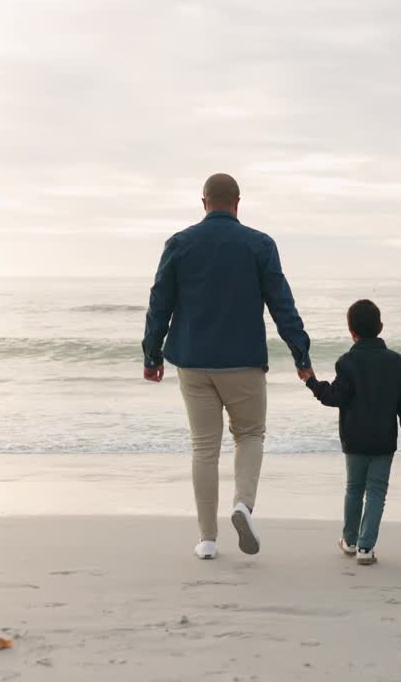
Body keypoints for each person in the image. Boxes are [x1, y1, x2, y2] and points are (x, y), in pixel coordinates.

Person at [141, 173, 314, 560]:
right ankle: (243, 505)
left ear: (203, 202)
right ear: (238, 202)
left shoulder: (180, 243)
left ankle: (207, 540)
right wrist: (300, 353)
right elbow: (281, 302)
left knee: (204, 448)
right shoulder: (260, 244)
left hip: (193, 361)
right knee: (250, 435)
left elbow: (160, 301)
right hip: (244, 362)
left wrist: (152, 355)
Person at [305, 299, 401, 566]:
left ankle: (349, 541)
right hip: (384, 439)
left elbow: (335, 397)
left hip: (354, 439)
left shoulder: (347, 362)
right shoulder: (399, 363)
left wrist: (312, 382)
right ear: (381, 326)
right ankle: (366, 547)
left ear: (351, 331)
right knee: (377, 491)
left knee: (354, 489)